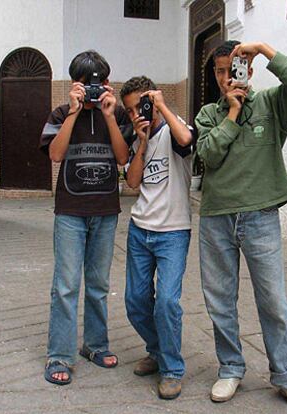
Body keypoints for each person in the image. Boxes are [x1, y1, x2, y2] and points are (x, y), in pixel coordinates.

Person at [195, 41, 287, 414]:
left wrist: (265, 50)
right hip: (217, 217)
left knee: (274, 303)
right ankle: (231, 368)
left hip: (261, 215)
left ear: (247, 66)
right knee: (220, 301)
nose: (226, 75)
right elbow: (207, 155)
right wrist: (231, 113)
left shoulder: (271, 104)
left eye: (234, 66)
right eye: (219, 69)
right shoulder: (208, 114)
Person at [39, 50, 129, 385]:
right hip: (70, 211)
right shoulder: (61, 113)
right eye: (87, 83)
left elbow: (122, 158)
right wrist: (74, 114)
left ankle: (95, 344)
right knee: (65, 286)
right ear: (75, 84)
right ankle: (59, 354)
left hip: (105, 210)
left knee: (99, 284)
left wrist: (107, 116)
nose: (95, 89)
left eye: (101, 82)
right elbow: (55, 154)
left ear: (107, 82)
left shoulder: (116, 113)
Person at [120, 76, 193, 400]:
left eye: (142, 105)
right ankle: (157, 350)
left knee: (166, 302)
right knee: (136, 302)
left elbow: (188, 141)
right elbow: (133, 183)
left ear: (153, 99)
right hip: (140, 230)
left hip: (173, 232)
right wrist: (142, 141)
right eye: (131, 109)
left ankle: (172, 370)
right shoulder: (138, 139)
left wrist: (162, 107)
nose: (138, 113)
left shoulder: (176, 128)